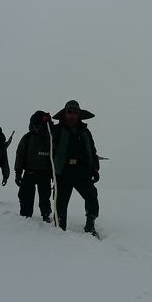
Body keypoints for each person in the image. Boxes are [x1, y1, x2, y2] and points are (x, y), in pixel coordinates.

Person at [50, 100, 100, 234]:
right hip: (62, 173)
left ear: (79, 115)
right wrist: (43, 123)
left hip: (82, 172)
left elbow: (92, 151)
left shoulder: (85, 132)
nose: (72, 115)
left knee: (92, 196)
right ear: (65, 114)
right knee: (60, 203)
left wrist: (95, 169)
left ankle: (90, 224)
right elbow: (46, 145)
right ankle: (60, 229)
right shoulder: (56, 130)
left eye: (75, 112)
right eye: (69, 112)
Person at [14, 111, 54, 221]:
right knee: (25, 195)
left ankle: (46, 214)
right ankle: (25, 216)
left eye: (39, 125)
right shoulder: (27, 138)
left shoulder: (51, 138)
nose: (38, 128)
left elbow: (56, 156)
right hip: (30, 172)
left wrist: (56, 175)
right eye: (35, 125)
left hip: (45, 173)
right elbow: (20, 155)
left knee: (45, 196)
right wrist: (18, 173)